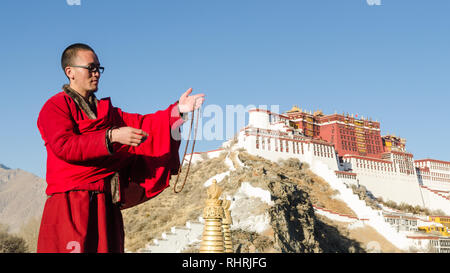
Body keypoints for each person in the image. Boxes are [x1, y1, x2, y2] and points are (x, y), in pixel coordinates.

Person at [36, 43, 205, 253]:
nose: (97, 73)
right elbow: (65, 146)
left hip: (106, 204)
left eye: (99, 68)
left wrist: (178, 111)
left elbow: (145, 124)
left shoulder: (108, 113)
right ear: (69, 71)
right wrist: (111, 136)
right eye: (91, 68)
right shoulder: (56, 106)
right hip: (70, 204)